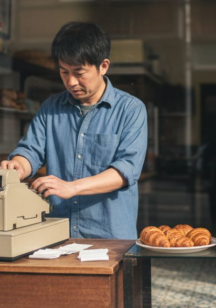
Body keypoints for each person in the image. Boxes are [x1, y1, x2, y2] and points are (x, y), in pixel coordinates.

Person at [0, 21, 148, 240]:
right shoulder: (51, 108)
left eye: (80, 73)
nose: (71, 82)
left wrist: (72, 187)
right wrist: (17, 166)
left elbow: (126, 171)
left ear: (103, 66)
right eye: (64, 72)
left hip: (110, 239)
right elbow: (30, 151)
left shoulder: (130, 110)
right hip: (57, 234)